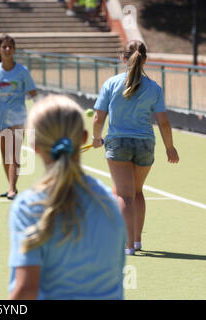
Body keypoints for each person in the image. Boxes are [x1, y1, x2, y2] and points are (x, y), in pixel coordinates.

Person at [8, 94, 126, 300]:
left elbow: (26, 291)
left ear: (33, 145)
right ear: (83, 138)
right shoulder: (110, 203)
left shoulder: (30, 206)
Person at [92, 40, 179, 255]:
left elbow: (98, 117)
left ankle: (127, 244)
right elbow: (164, 122)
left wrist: (96, 138)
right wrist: (170, 147)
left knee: (123, 195)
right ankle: (137, 241)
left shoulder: (111, 83)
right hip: (145, 144)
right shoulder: (154, 87)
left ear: (123, 58)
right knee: (137, 192)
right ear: (145, 59)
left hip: (118, 143)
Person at [0, 35, 37, 200]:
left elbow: (33, 93)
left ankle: (12, 189)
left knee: (13, 153)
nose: (7, 50)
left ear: (14, 50)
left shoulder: (22, 72)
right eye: (4, 47)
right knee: (5, 156)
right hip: (0, 118)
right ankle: (11, 187)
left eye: (10, 47)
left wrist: (39, 108)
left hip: (18, 117)